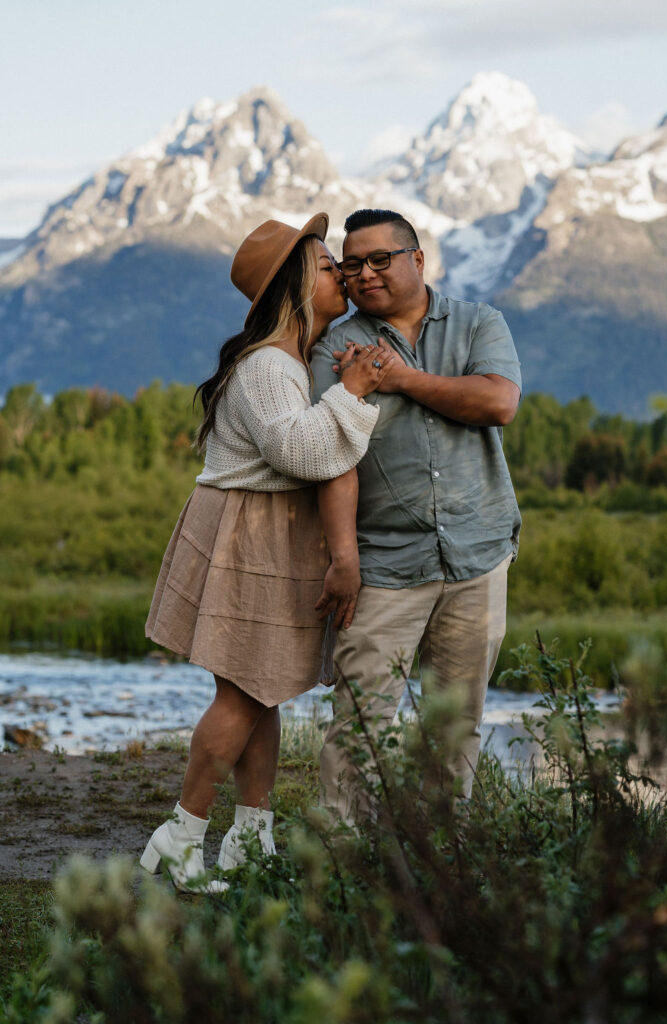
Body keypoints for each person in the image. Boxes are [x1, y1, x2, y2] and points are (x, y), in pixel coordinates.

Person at [140, 213, 395, 891]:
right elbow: (301, 452)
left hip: (263, 529)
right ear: (290, 286)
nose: (339, 273)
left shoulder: (279, 362)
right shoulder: (269, 367)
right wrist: (355, 392)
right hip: (251, 532)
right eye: (322, 266)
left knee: (260, 690)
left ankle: (251, 838)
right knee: (244, 695)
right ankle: (182, 833)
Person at [310, 208, 522, 824]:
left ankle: (441, 874)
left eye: (381, 259)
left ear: (417, 260)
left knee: (455, 727)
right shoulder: (332, 346)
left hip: (477, 555)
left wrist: (402, 380)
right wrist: (343, 558)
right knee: (360, 726)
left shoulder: (480, 322)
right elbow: (333, 454)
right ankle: (344, 870)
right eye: (352, 264)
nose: (365, 273)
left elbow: (497, 401)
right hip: (381, 563)